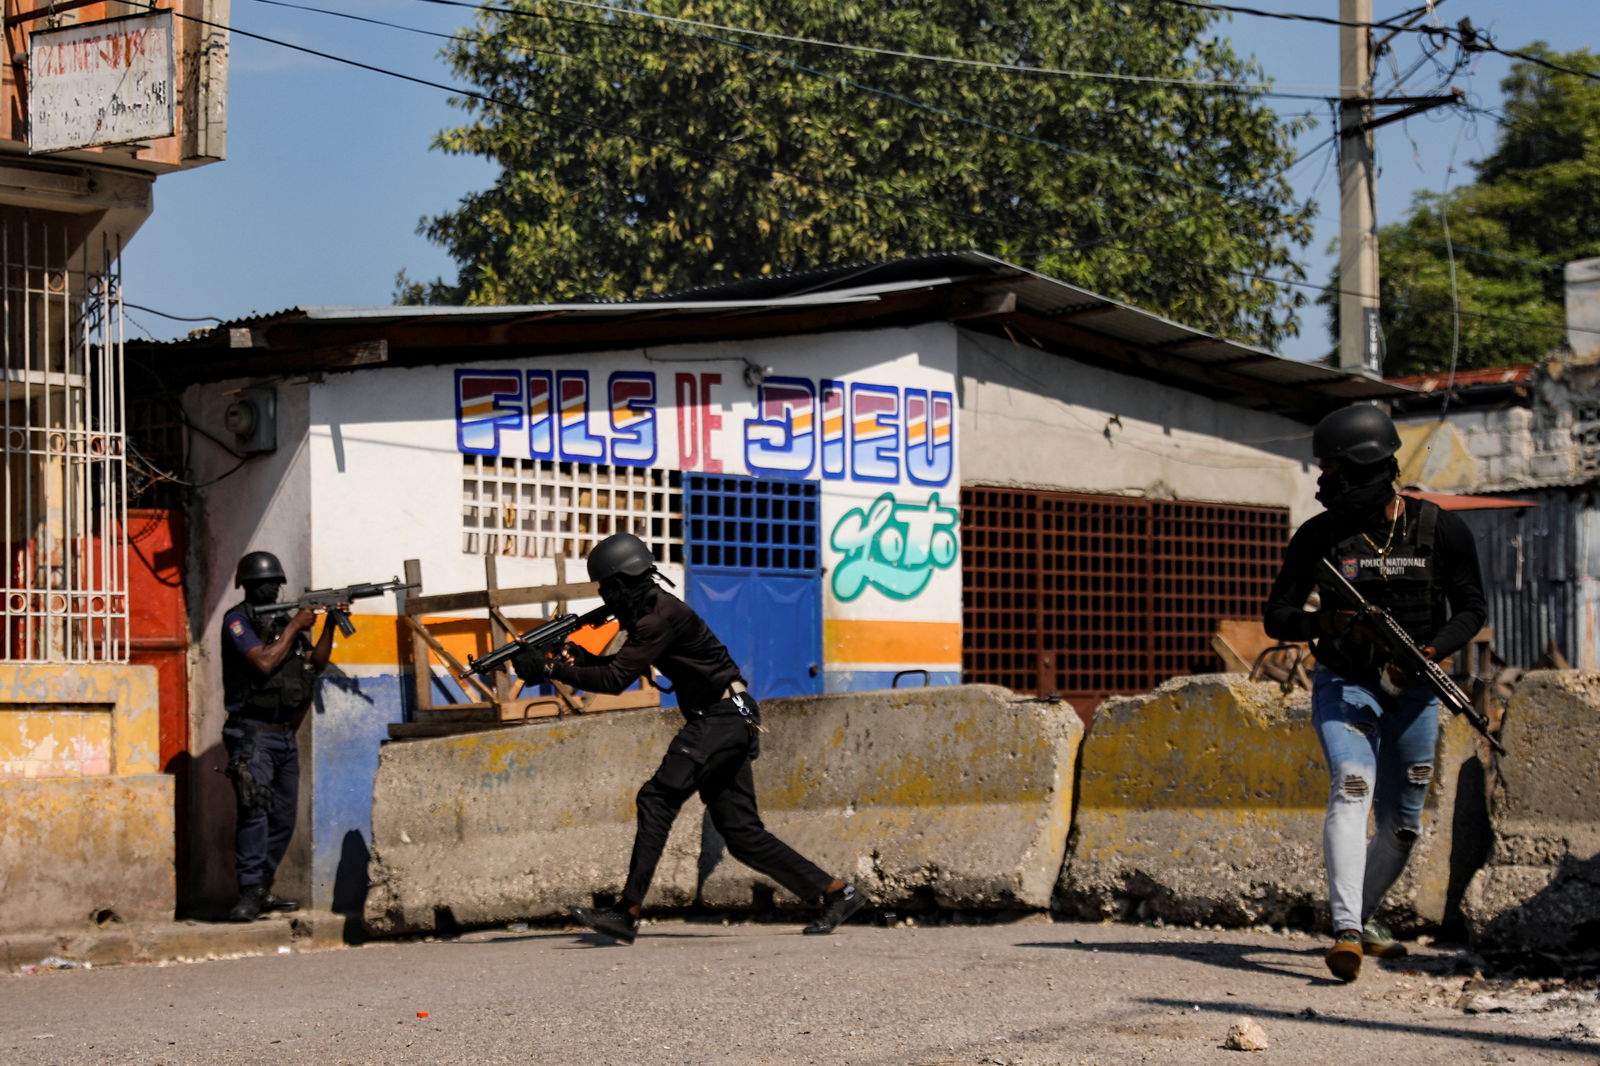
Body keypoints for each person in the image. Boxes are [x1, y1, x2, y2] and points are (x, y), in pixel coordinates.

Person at [514, 532, 866, 944]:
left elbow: (613, 680)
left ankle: (626, 911)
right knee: (741, 834)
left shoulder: (656, 617)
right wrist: (576, 659)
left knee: (656, 797)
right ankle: (838, 893)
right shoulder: (652, 612)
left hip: (720, 718)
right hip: (729, 716)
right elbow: (619, 665)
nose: (606, 597)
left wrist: (552, 670)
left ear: (622, 583)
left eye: (608, 588)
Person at [1264, 404, 1486, 982]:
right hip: (1346, 682)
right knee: (1352, 784)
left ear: (1366, 468)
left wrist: (1431, 653)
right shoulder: (1318, 537)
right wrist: (1331, 625)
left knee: (1404, 821)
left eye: (1333, 469)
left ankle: (1361, 916)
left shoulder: (1441, 529)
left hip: (1415, 691)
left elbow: (1471, 609)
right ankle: (1345, 932)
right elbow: (1278, 616)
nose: (1323, 481)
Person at [219, 551, 349, 922]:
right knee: (254, 812)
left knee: (283, 817)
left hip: (283, 735)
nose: (274, 589)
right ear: (249, 585)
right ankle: (247, 893)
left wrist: (328, 624)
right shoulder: (238, 621)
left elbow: (316, 663)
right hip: (252, 734)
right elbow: (262, 661)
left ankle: (262, 887)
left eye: (277, 582)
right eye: (267, 583)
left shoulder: (281, 618)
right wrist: (295, 625)